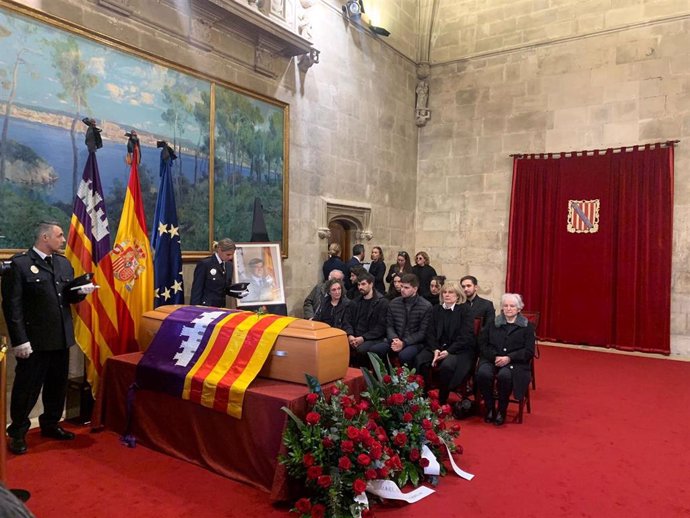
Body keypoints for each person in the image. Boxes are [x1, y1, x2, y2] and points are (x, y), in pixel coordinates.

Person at [1, 221, 94, 455]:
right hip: (34, 342)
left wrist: (80, 293)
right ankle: (18, 432)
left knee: (57, 386)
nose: (63, 240)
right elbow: (13, 307)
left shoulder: (63, 264)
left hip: (61, 339)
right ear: (44, 237)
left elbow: (66, 299)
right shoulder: (20, 265)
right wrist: (20, 341)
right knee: (27, 389)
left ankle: (51, 424)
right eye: (60, 236)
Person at [476, 293, 535, 426]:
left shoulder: (526, 327)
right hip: (492, 359)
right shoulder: (493, 323)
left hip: (515, 362)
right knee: (483, 373)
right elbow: (483, 343)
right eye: (506, 306)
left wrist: (509, 358)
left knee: (504, 376)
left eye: (512, 306)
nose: (508, 308)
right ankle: (490, 407)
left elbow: (528, 351)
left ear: (519, 309)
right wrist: (494, 356)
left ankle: (502, 410)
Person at [415, 282, 475, 404]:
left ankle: (442, 399)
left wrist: (448, 351)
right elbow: (430, 332)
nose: (447, 295)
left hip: (457, 349)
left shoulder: (465, 310)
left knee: (447, 366)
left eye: (451, 292)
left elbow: (465, 336)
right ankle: (424, 396)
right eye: (444, 292)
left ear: (458, 295)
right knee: (420, 359)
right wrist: (435, 349)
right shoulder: (436, 309)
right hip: (437, 347)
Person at [367, 273, 432, 367]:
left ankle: (407, 380)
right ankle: (384, 378)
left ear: (415, 289)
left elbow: (422, 333)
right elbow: (389, 325)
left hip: (415, 343)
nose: (402, 290)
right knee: (375, 350)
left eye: (406, 287)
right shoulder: (394, 303)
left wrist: (404, 343)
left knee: (405, 355)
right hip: (395, 340)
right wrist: (395, 339)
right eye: (401, 286)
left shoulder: (426, 306)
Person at [347, 272, 389, 367]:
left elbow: (381, 327)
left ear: (371, 284)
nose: (360, 287)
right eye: (358, 284)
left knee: (361, 350)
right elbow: (348, 321)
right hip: (355, 336)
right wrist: (350, 335)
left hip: (373, 338)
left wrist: (363, 338)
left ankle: (364, 377)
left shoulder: (382, 303)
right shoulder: (355, 302)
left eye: (363, 284)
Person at [190, 238, 235, 307]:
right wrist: (194, 309)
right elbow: (197, 290)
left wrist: (237, 292)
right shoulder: (205, 264)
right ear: (219, 250)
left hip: (221, 307)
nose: (230, 257)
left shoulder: (229, 265)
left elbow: (224, 288)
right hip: (206, 307)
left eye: (232, 254)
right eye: (228, 255)